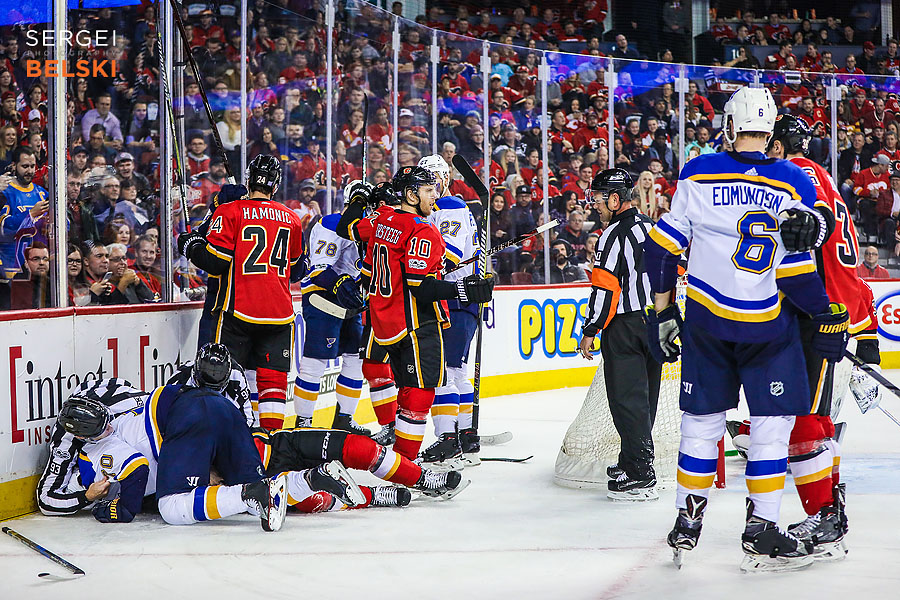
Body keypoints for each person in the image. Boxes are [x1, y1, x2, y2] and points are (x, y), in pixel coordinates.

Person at [644, 86, 848, 572]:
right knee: (771, 434)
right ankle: (762, 527)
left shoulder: (696, 171)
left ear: (730, 126)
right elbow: (798, 270)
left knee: (700, 427)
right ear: (772, 129)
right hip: (769, 329)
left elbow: (661, 249)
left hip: (707, 325)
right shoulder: (795, 180)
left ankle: (686, 521)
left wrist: (663, 311)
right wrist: (826, 315)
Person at [756, 114, 881, 559]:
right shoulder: (823, 176)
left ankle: (825, 514)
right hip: (829, 309)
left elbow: (815, 236)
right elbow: (842, 260)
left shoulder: (799, 175)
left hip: (815, 313)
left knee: (801, 419)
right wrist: (865, 330)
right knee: (816, 416)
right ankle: (831, 506)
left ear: (777, 145)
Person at [335, 166, 493, 467]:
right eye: (428, 189)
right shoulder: (422, 230)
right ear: (410, 194)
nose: (435, 195)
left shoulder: (381, 221)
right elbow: (421, 285)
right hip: (414, 324)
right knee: (420, 392)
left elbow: (350, 228)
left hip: (384, 322)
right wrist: (465, 290)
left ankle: (404, 456)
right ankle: (405, 466)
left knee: (410, 387)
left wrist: (358, 200)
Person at [178, 155, 305, 431]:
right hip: (279, 314)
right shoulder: (292, 218)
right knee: (272, 384)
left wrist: (190, 244)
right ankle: (269, 444)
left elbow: (215, 262)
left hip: (236, 310)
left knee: (223, 378)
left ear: (249, 180)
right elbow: (297, 271)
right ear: (276, 184)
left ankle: (229, 441)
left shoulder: (231, 211)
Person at [578, 169, 661, 500]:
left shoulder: (611, 236)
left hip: (625, 326)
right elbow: (676, 270)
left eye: (598, 198)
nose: (594, 204)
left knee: (627, 400)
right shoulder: (653, 229)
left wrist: (591, 329)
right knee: (646, 397)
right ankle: (631, 459)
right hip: (654, 321)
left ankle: (641, 472)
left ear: (615, 199)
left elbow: (606, 288)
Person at [419, 155, 481, 468]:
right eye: (424, 177)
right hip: (454, 298)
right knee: (454, 370)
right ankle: (467, 435)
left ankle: (448, 440)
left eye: (433, 177)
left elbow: (450, 257)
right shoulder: (437, 209)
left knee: (446, 371)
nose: (429, 183)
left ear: (445, 178)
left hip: (456, 299)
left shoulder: (451, 208)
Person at [293, 190, 369, 436]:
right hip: (322, 297)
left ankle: (344, 418)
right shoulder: (332, 223)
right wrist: (339, 284)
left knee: (355, 358)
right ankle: (303, 421)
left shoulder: (369, 228)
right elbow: (318, 268)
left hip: (351, 302)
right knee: (315, 362)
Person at [0, 146, 49, 309]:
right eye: (25, 166)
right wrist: (31, 214)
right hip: (12, 268)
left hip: (39, 270)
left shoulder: (42, 193)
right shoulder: (5, 193)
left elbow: (63, 225)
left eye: (32, 166)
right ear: (14, 166)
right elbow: (4, 228)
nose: (29, 171)